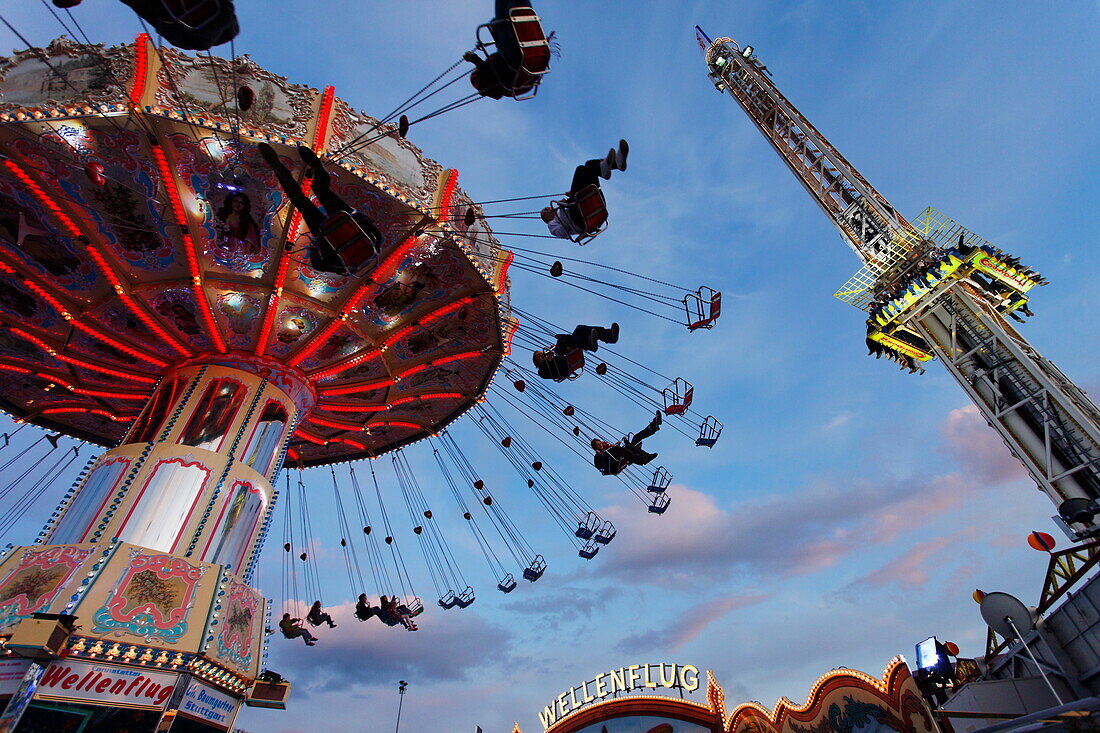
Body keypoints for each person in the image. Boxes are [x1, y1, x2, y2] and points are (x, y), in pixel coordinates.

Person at [258, 142, 383, 275]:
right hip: (325, 232)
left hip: (348, 219)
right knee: (300, 201)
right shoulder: (342, 268)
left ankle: (319, 169)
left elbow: (376, 234)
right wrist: (314, 249)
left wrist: (358, 217)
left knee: (322, 190)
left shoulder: (374, 248)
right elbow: (318, 265)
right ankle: (279, 171)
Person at [542, 141, 628, 239]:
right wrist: (562, 206)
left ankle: (617, 163)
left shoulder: (562, 211)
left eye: (546, 208)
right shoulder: (552, 225)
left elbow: (570, 205)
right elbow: (564, 233)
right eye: (545, 212)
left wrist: (568, 200)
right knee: (580, 170)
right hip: (579, 219)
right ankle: (612, 165)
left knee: (588, 165)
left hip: (587, 206)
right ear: (546, 218)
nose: (548, 209)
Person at [533, 323, 618, 381]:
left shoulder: (551, 356)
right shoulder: (542, 371)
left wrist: (553, 350)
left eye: (541, 354)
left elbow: (559, 352)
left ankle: (609, 336)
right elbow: (553, 371)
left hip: (565, 356)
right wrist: (550, 359)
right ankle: (589, 344)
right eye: (540, 357)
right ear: (537, 362)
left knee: (579, 329)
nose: (542, 356)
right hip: (564, 365)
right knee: (562, 339)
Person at [591, 410, 663, 476]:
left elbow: (615, 449)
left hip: (625, 454)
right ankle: (643, 460)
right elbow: (600, 465)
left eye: (599, 443)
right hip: (619, 461)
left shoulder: (608, 448)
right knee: (625, 447)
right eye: (598, 445)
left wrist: (621, 442)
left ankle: (654, 426)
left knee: (636, 437)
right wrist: (598, 454)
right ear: (595, 448)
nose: (600, 444)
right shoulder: (600, 455)